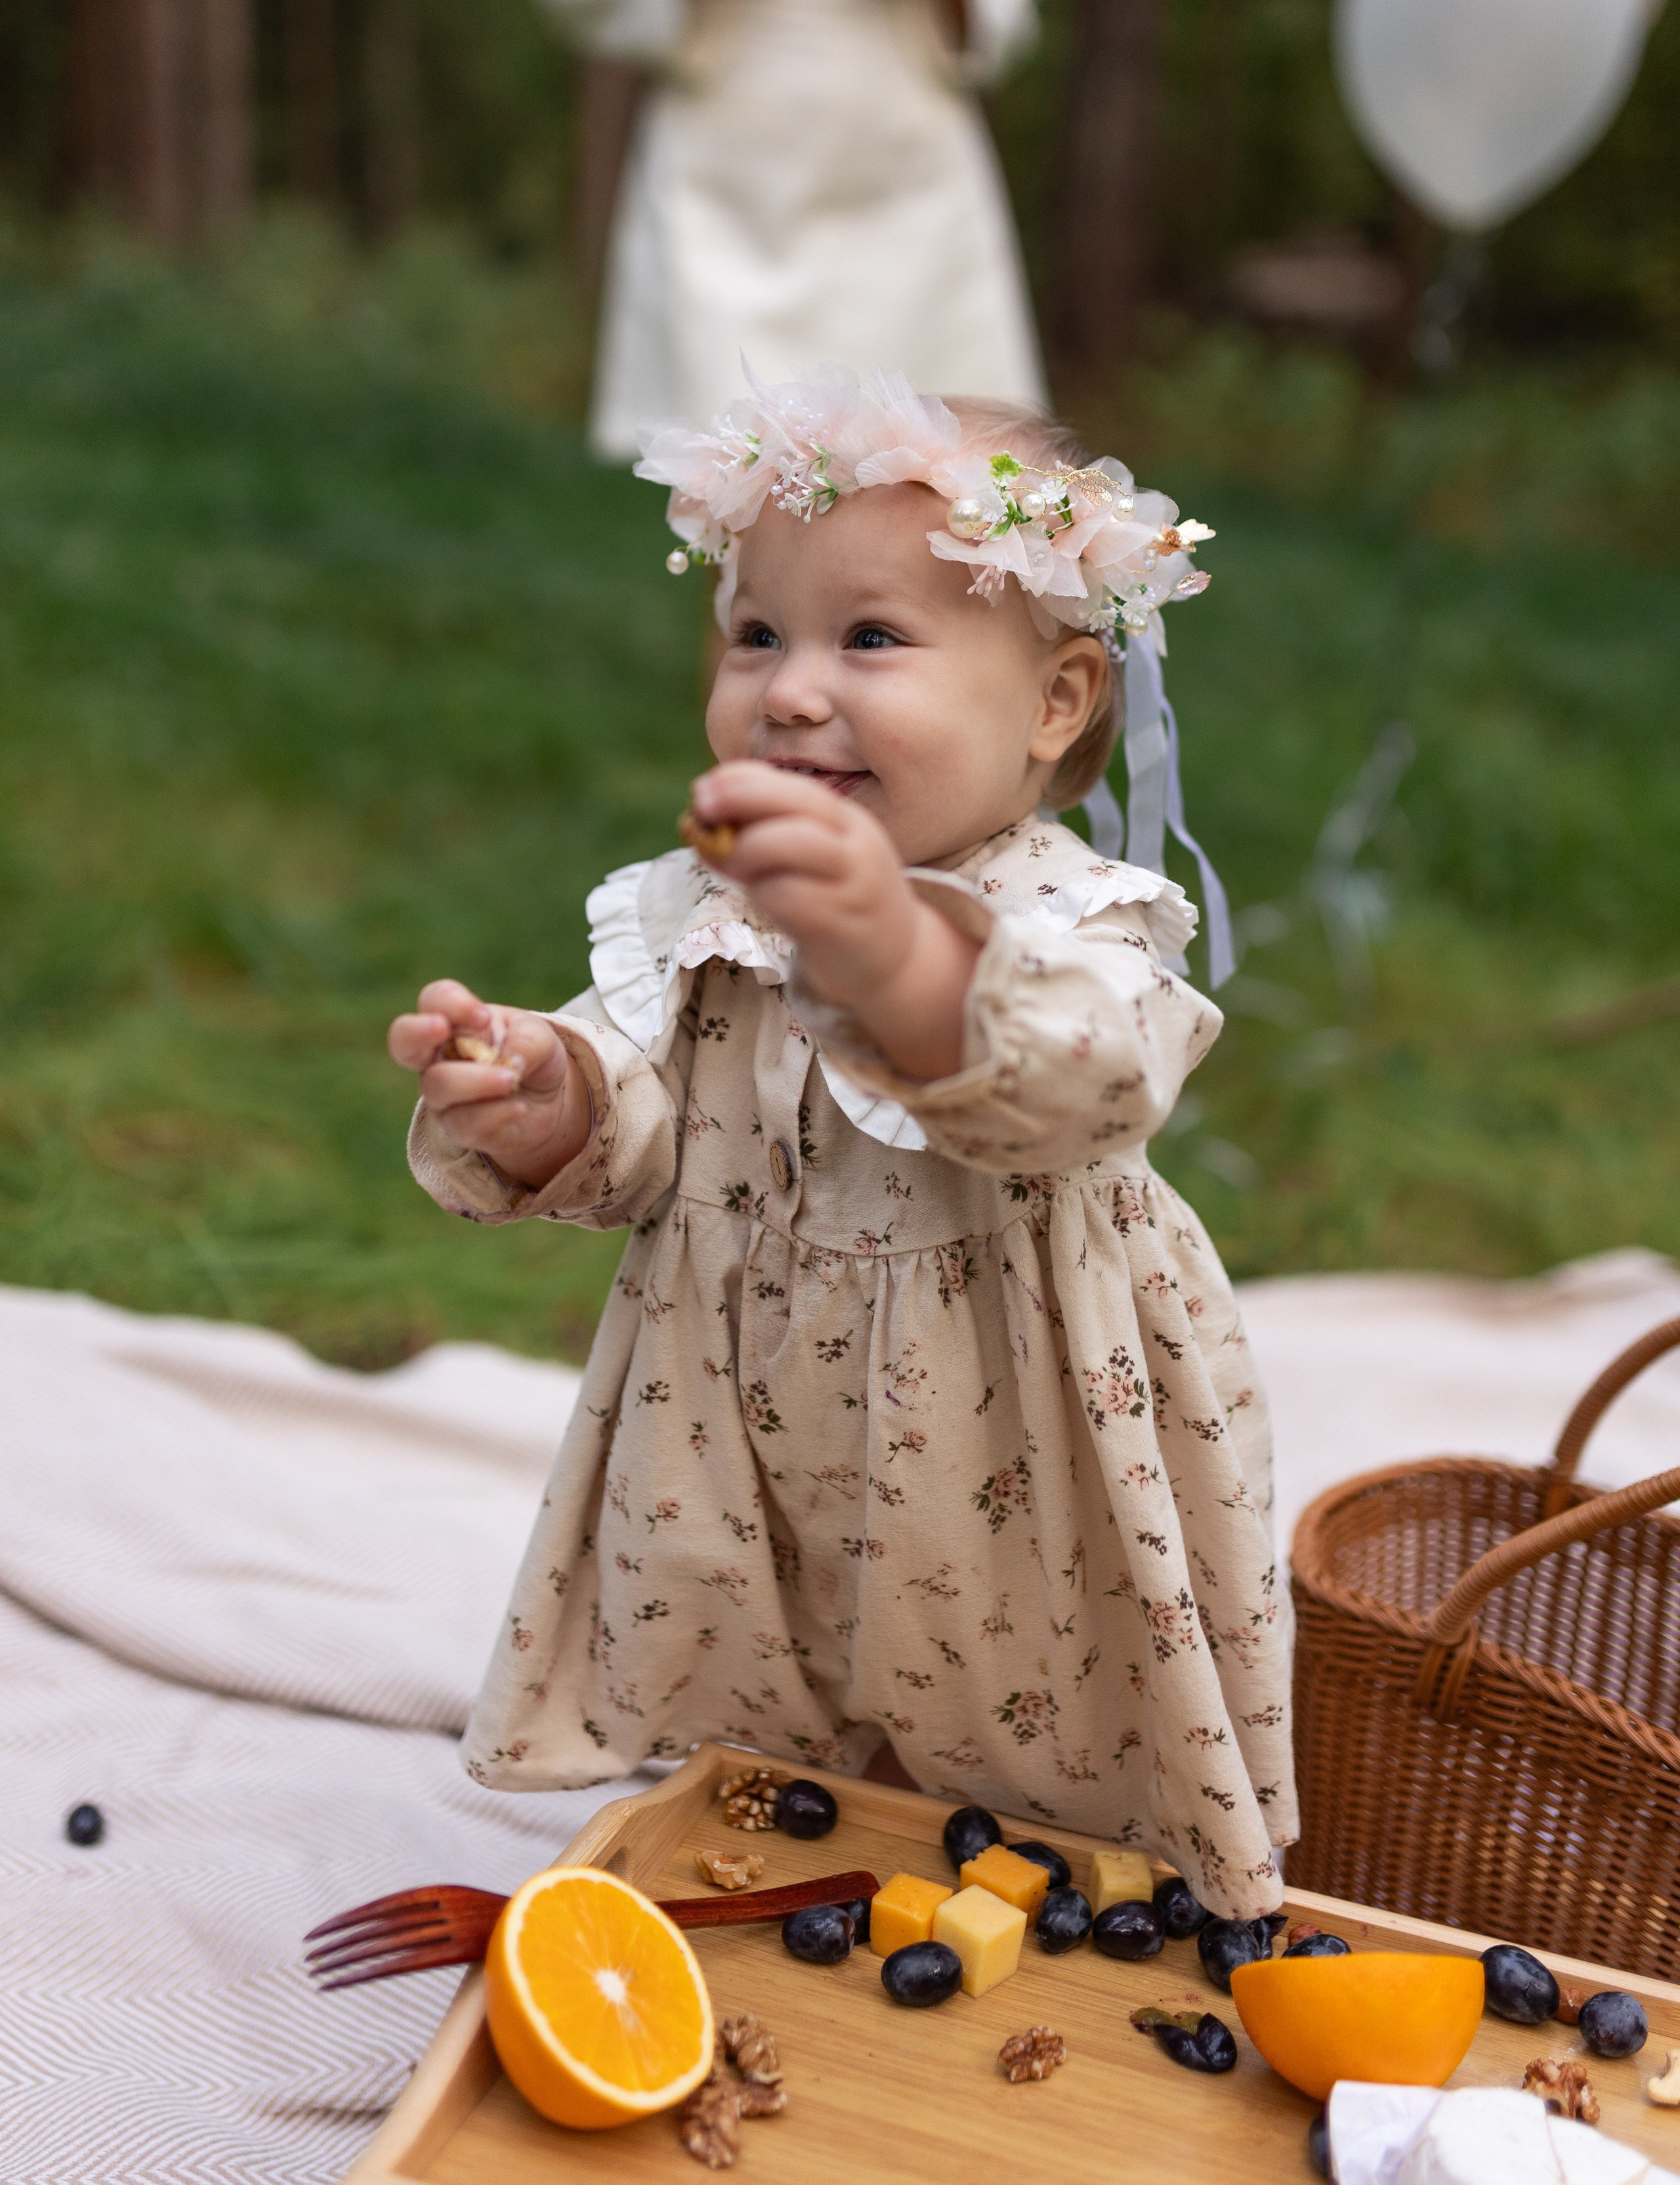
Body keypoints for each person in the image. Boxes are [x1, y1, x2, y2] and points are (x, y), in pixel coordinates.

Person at [387, 364, 1294, 1918]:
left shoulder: (1076, 918)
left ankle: (1054, 1892)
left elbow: (1086, 1077)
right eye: (756, 634)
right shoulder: (701, 916)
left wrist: (897, 959)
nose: (791, 688)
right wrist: (547, 1094)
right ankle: (792, 1864)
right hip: (738, 1395)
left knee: (1018, 1671)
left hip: (1011, 1419)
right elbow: (647, 1117)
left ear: (1055, 702)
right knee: (778, 1628)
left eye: (869, 637)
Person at [539, 0, 1046, 457]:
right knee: (731, 463)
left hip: (904, 158)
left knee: (941, 461)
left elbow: (1003, 22)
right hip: (729, 168)